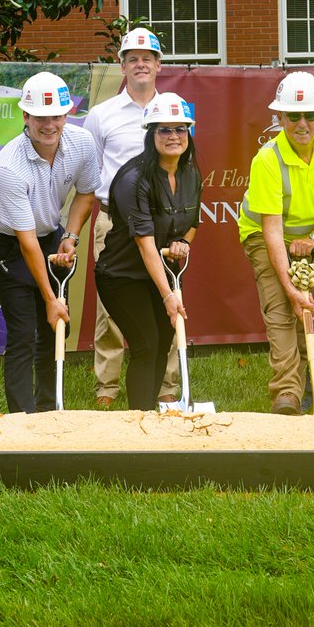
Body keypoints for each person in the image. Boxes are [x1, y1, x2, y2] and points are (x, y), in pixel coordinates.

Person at [240, 72, 314, 415]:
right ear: (279, 117)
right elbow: (272, 230)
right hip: (264, 235)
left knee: (306, 308)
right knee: (281, 307)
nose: (303, 124)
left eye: (311, 115)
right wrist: (289, 288)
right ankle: (286, 395)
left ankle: (305, 389)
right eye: (293, 116)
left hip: (308, 238)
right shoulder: (267, 159)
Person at [0, 71, 98, 413]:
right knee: (23, 333)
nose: (49, 125)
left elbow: (86, 192)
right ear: (25, 116)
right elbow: (26, 242)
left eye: (56, 116)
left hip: (50, 234)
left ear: (67, 114)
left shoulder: (82, 142)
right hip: (10, 245)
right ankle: (22, 419)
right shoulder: (8, 167)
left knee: (55, 329)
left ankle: (49, 410)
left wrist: (70, 236)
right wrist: (51, 299)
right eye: (40, 117)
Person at [83, 27, 181, 407]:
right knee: (111, 309)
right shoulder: (101, 115)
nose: (141, 64)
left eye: (148, 58)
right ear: (122, 66)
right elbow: (91, 173)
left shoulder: (174, 108)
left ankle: (167, 384)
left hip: (163, 224)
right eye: (133, 58)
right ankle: (107, 388)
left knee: (165, 299)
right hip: (114, 222)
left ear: (159, 65)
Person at [94, 94, 201, 411]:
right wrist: (169, 296)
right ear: (150, 133)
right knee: (146, 345)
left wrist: (184, 241)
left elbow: (193, 222)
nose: (173, 136)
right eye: (164, 129)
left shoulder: (190, 173)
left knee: (163, 342)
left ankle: (151, 418)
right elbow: (145, 243)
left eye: (180, 129)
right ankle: (137, 420)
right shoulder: (133, 178)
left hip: (160, 273)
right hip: (121, 276)